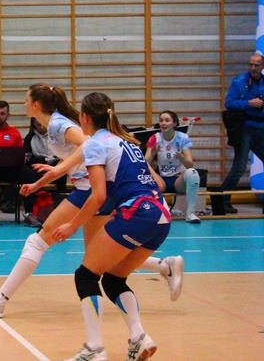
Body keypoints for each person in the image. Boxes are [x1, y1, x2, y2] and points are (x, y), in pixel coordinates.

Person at [0, 84, 183, 319]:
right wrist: (44, 180)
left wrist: (58, 170)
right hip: (93, 190)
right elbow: (77, 154)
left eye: (26, 99)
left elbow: (89, 144)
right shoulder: (53, 125)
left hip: (90, 190)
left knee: (37, 241)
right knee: (96, 256)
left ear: (36, 104)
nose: (24, 103)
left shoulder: (58, 124)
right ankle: (164, 266)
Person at [53, 92, 171, 361]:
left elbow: (98, 196)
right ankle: (139, 337)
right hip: (162, 214)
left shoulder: (95, 144)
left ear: (84, 117)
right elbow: (159, 184)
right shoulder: (127, 141)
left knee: (86, 276)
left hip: (138, 213)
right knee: (114, 279)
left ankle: (94, 349)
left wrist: (71, 225)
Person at [220, 51, 264, 214]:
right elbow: (229, 103)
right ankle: (222, 200)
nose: (252, 68)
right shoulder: (239, 81)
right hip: (245, 128)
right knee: (239, 168)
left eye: (256, 65)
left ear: (262, 66)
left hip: (261, 128)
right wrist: (248, 103)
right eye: (250, 64)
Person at [145, 110, 201, 224]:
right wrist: (153, 153)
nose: (163, 123)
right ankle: (151, 214)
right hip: (162, 181)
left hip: (178, 180)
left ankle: (190, 213)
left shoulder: (183, 137)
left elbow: (190, 164)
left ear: (174, 123)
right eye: (161, 120)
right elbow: (144, 163)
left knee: (193, 173)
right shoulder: (154, 138)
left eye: (167, 120)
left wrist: (181, 157)